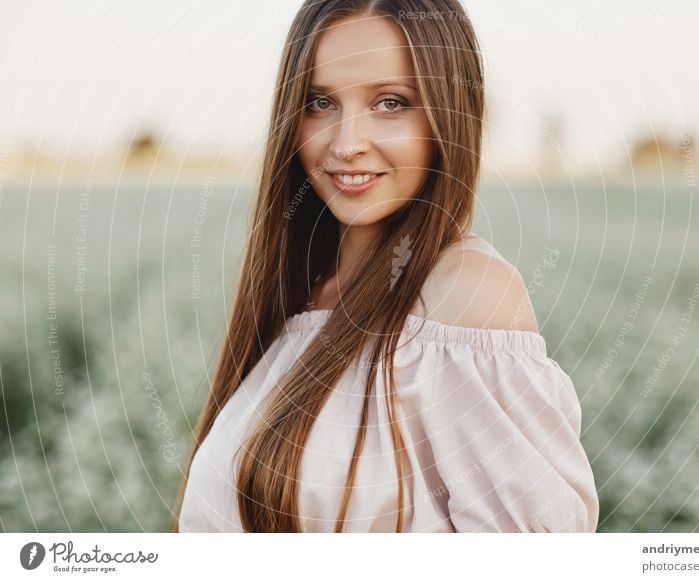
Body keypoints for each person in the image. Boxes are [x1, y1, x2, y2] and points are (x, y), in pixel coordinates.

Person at [172, 0, 599, 533]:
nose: (346, 144)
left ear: (448, 111)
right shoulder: (304, 293)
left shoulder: (464, 297)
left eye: (391, 102)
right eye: (320, 102)